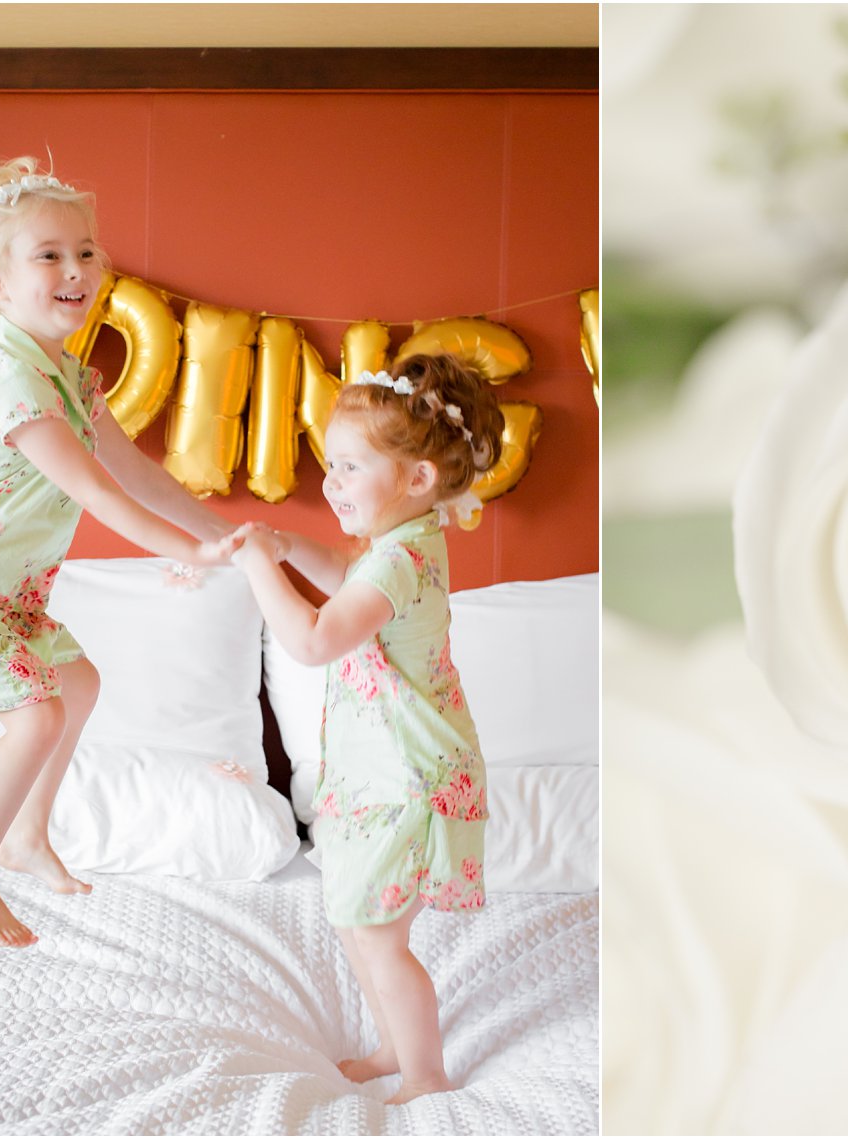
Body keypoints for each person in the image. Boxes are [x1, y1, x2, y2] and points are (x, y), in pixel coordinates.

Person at [0, 158, 247, 949]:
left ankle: (27, 836)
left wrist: (214, 535)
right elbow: (101, 495)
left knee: (76, 683)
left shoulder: (70, 374)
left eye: (86, 250)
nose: (77, 269)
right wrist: (192, 556)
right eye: (48, 255)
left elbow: (133, 471)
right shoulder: (14, 379)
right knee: (35, 715)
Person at [231, 353, 503, 1103]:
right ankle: (393, 1045)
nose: (331, 484)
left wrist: (262, 568)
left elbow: (316, 638)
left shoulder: (400, 561)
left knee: (380, 939)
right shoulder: (397, 546)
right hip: (377, 770)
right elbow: (350, 566)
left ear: (416, 479)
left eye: (350, 467)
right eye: (330, 465)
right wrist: (289, 547)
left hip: (410, 775)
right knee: (357, 920)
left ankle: (425, 1072)